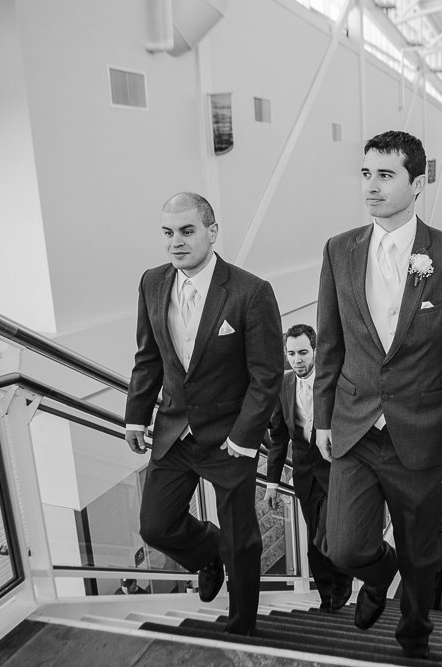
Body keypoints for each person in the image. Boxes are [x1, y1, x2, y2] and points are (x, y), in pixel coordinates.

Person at [314, 130, 442, 659]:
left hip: (421, 432)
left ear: (417, 184)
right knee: (343, 546)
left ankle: (414, 632)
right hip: (355, 425)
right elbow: (330, 342)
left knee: (421, 554)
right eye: (366, 174)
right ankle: (377, 573)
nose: (371, 186)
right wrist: (322, 418)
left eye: (385, 175)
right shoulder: (339, 249)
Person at [125, 192, 284, 636]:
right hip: (174, 430)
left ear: (212, 232)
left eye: (187, 231)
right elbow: (148, 357)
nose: (175, 242)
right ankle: (207, 553)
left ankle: (243, 625)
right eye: (168, 233)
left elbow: (267, 375)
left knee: (241, 540)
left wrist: (245, 436)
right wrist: (136, 415)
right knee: (156, 526)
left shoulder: (251, 291)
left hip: (230, 438)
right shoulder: (151, 282)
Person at [265, 323, 353, 613]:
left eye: (303, 352)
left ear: (315, 351)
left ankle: (343, 580)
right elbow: (278, 437)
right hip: (304, 473)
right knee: (313, 539)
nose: (297, 360)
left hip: (335, 467)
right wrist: (272, 483)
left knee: (327, 532)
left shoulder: (334, 378)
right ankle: (327, 596)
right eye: (291, 353)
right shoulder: (283, 384)